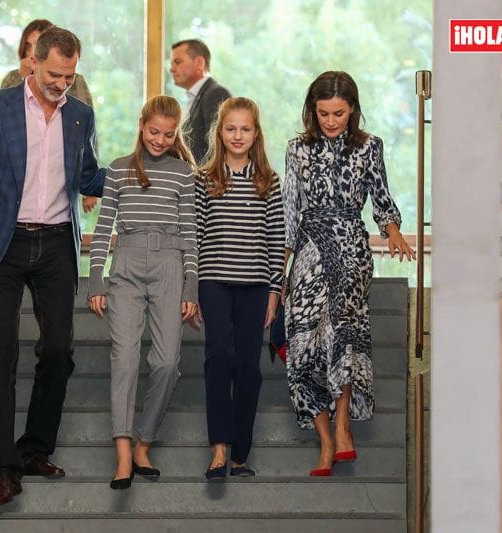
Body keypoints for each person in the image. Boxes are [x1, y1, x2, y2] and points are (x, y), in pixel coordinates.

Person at [0, 26, 105, 507]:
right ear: (32, 63)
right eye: (55, 74)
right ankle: (3, 467)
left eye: (70, 75)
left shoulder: (80, 115)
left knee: (58, 349)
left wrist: (141, 162)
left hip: (56, 242)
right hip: (2, 243)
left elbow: (88, 174)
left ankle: (35, 448)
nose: (62, 83)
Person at [282, 71, 414, 477]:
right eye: (323, 113)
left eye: (338, 112)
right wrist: (281, 274)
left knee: (343, 335)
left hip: (352, 248)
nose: (331, 120)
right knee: (302, 344)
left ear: (352, 109)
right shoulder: (296, 149)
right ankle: (324, 437)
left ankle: (342, 429)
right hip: (308, 248)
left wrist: (392, 233)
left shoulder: (369, 146)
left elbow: (382, 195)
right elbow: (289, 211)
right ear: (312, 111)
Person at [87, 95, 198, 490]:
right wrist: (95, 278)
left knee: (167, 362)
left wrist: (191, 285)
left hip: (170, 264)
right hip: (127, 266)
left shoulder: (184, 173)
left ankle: (143, 443)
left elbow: (190, 234)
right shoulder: (118, 170)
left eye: (169, 134)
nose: (160, 140)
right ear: (141, 124)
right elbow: (104, 229)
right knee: (126, 361)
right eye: (154, 131)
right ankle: (122, 457)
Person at [194, 97, 285, 480]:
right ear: (220, 132)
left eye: (245, 128)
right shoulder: (205, 179)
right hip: (213, 282)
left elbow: (277, 238)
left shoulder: (269, 181)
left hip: (254, 286)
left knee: (248, 367)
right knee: (218, 358)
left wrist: (274, 292)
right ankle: (218, 448)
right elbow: (195, 236)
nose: (238, 135)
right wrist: (190, 289)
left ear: (256, 133)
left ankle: (240, 454)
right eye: (230, 128)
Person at [1, 19, 99, 214]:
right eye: (28, 46)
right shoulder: (9, 83)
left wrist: (94, 185)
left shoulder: (77, 90)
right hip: (13, 205)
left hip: (59, 213)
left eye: (67, 77)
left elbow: (87, 136)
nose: (62, 85)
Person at [169, 39, 231, 165]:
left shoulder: (215, 94)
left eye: (178, 62)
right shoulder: (196, 97)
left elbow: (218, 148)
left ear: (199, 63)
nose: (171, 69)